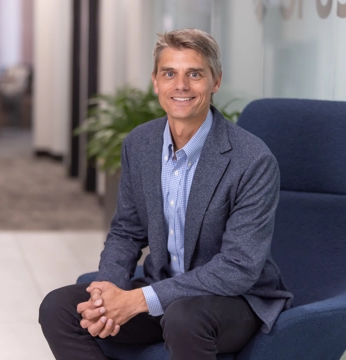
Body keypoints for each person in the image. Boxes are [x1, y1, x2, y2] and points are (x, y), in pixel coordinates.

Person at [39, 28, 293, 360]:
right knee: (59, 308)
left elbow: (238, 268)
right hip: (164, 294)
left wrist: (138, 300)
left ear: (215, 81)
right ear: (156, 82)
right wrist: (107, 291)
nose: (181, 85)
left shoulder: (252, 160)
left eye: (195, 74)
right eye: (169, 73)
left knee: (184, 317)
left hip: (234, 301)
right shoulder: (140, 144)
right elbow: (127, 231)